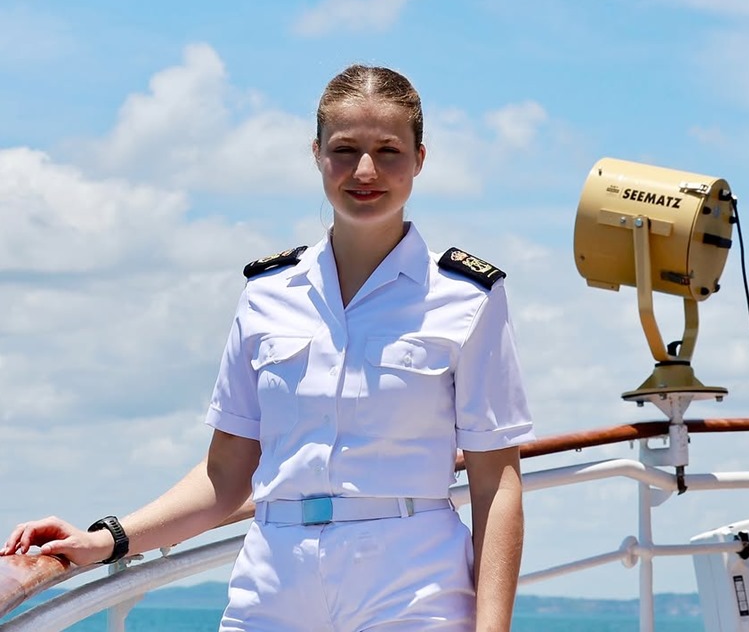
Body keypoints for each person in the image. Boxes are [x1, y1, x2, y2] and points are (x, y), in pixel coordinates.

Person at [2, 65, 534, 632]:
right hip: (274, 586)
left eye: (389, 151)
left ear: (420, 159)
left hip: (410, 584)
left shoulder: (467, 297)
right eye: (345, 149)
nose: (365, 170)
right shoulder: (267, 293)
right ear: (317, 154)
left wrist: (491, 627)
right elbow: (226, 472)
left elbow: (494, 481)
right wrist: (106, 540)